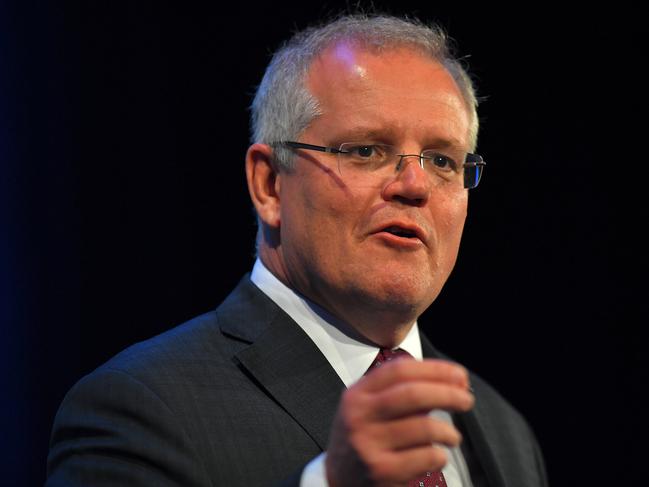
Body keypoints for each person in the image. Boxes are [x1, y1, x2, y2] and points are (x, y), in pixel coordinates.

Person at [46, 14, 548, 487]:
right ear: (268, 184)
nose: (415, 184)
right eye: (366, 150)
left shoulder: (503, 431)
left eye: (442, 159)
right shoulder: (138, 408)